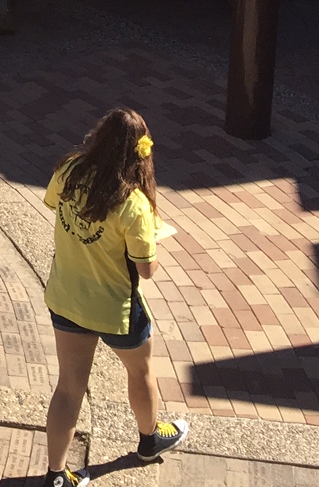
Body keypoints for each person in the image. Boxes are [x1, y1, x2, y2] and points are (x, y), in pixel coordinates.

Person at [41, 108, 189, 487]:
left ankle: (56, 476)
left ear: (99, 137)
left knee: (69, 387)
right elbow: (145, 269)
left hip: (67, 296)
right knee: (140, 372)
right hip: (115, 308)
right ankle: (149, 440)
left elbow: (56, 206)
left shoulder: (69, 170)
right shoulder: (134, 204)